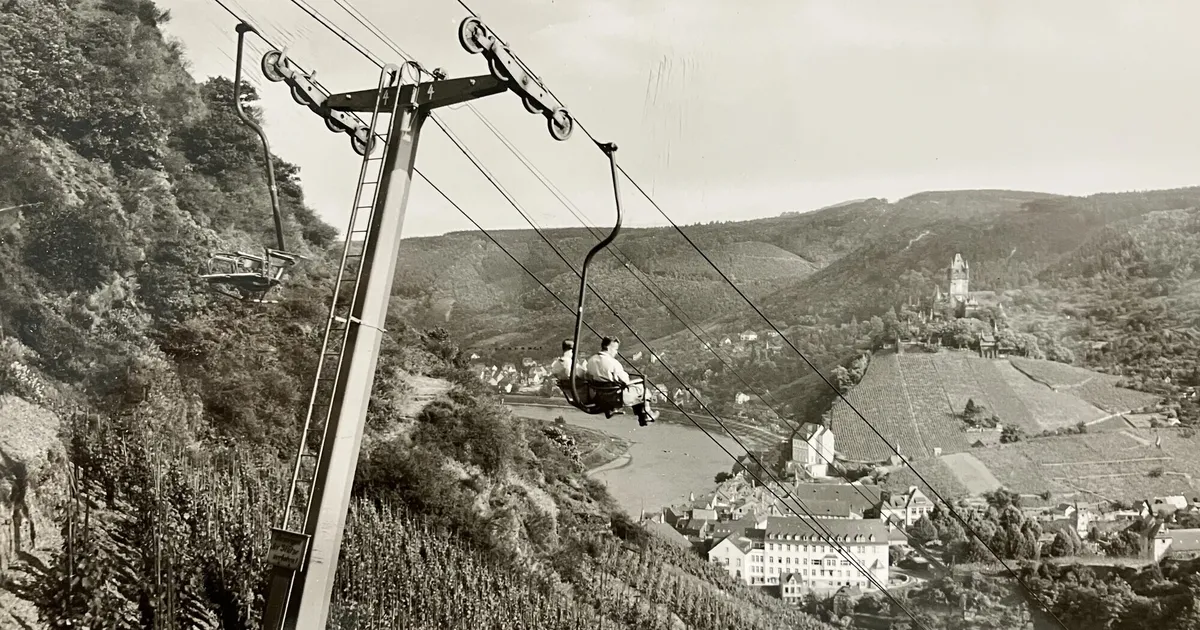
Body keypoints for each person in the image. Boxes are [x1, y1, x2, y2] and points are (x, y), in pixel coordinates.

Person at [585, 336, 659, 426]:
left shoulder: (591, 360)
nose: (616, 352)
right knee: (642, 389)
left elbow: (588, 376)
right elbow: (626, 381)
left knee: (636, 390)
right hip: (615, 397)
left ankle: (642, 417)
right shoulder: (613, 362)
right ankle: (646, 414)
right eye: (615, 349)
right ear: (608, 348)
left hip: (599, 396)